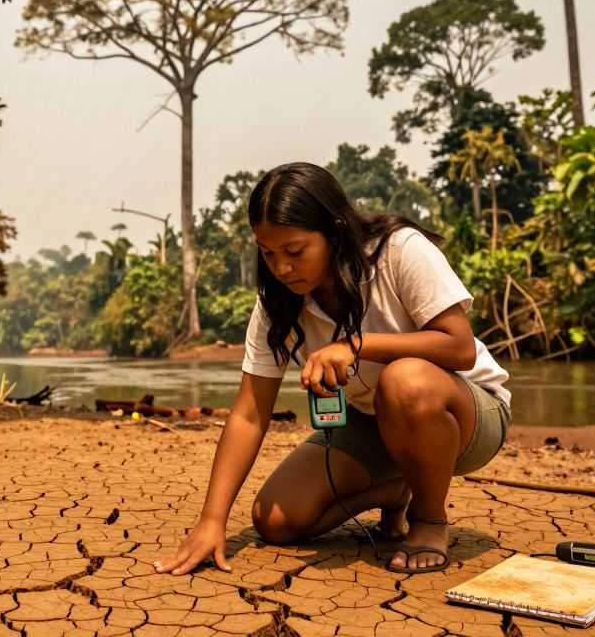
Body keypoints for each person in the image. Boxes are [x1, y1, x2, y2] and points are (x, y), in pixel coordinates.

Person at [153, 162, 511, 576]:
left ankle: (429, 519)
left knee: (405, 379)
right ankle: (396, 491)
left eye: (294, 251)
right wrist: (211, 521)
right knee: (277, 521)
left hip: (465, 414)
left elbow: (460, 346)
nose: (281, 268)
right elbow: (250, 414)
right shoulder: (277, 304)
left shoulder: (397, 251)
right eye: (268, 253)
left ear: (335, 232)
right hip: (373, 421)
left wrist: (357, 346)